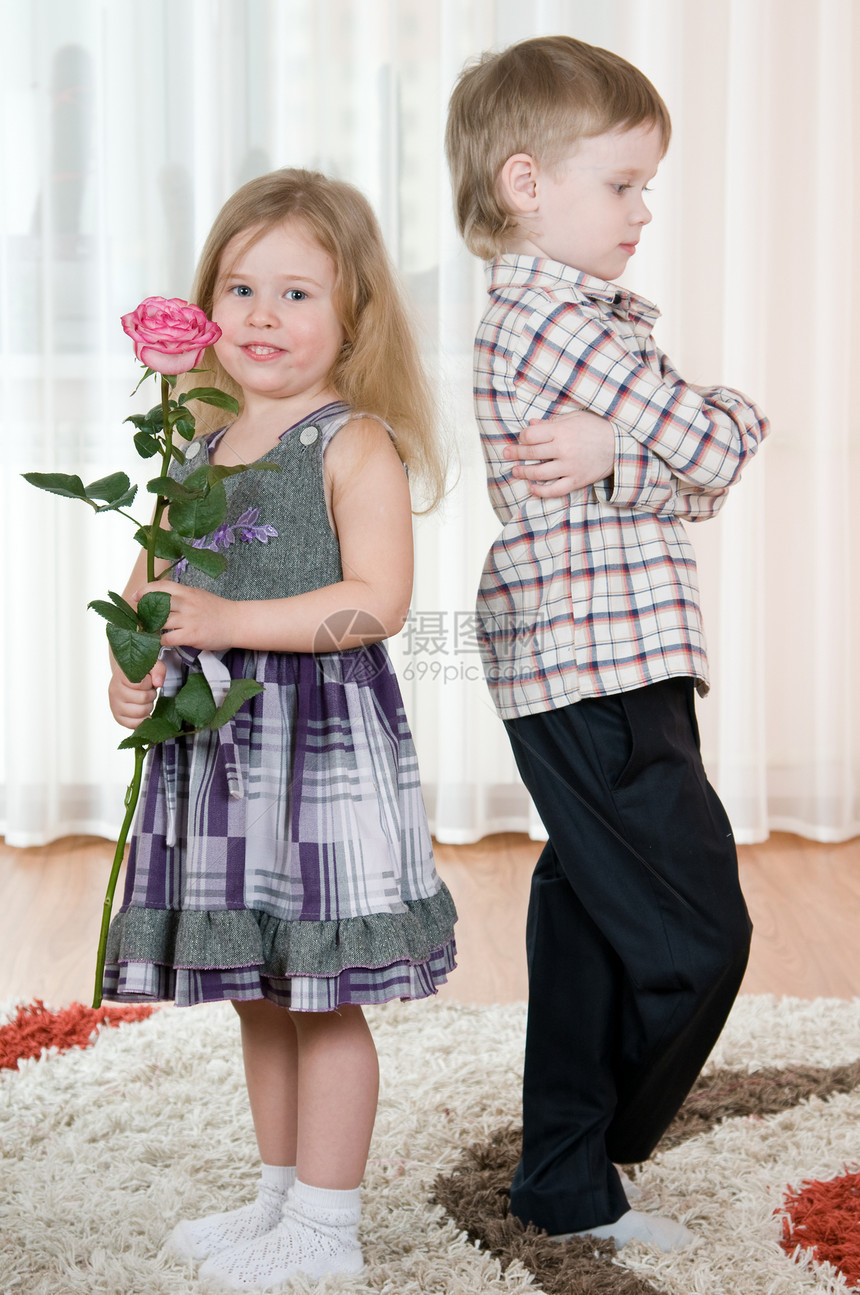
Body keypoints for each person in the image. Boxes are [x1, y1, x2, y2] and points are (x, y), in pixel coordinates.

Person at [103, 168, 456, 1290]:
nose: (263, 314)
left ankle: (328, 1225)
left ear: (353, 313)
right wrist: (135, 668)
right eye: (242, 286)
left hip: (314, 751)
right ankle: (278, 1196)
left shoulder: (351, 442)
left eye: (298, 293)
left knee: (322, 987)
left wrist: (230, 618)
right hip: (214, 745)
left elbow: (375, 603)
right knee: (256, 986)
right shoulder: (191, 442)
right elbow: (148, 592)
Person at [445, 36, 768, 1251]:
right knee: (698, 934)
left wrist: (624, 459)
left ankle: (566, 1177)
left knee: (586, 918)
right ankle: (605, 1140)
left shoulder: (570, 320)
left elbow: (681, 467)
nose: (644, 210)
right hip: (596, 665)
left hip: (591, 658)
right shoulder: (564, 324)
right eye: (622, 183)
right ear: (526, 183)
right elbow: (719, 444)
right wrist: (700, 434)